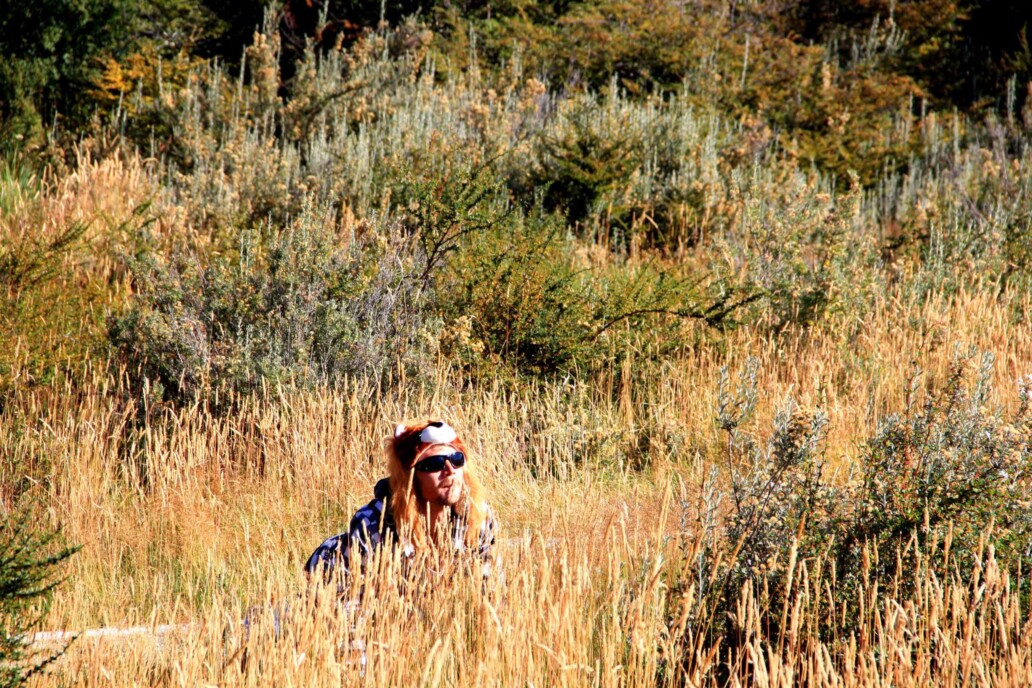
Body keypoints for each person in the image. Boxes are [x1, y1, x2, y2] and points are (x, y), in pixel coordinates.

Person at [305, 419, 495, 581]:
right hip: (329, 580)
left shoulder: (478, 516)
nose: (450, 470)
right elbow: (353, 612)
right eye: (434, 464)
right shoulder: (374, 527)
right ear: (409, 478)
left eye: (456, 458)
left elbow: (490, 591)